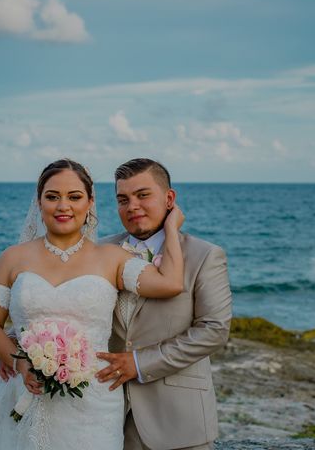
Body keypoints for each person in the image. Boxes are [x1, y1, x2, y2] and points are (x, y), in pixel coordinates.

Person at [0, 159, 186, 450]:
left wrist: (170, 228)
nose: (63, 206)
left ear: (90, 202)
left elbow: (171, 283)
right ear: (39, 202)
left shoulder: (112, 258)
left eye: (74, 197)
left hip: (94, 403)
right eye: (52, 197)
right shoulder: (12, 259)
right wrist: (18, 360)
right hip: (25, 392)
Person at [96, 158, 232, 450]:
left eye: (143, 195)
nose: (132, 206)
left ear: (169, 199)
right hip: (106, 416)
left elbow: (214, 330)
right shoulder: (99, 251)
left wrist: (140, 363)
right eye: (123, 199)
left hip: (179, 420)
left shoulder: (205, 255)